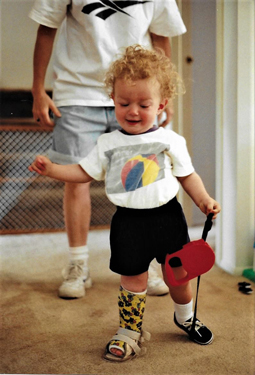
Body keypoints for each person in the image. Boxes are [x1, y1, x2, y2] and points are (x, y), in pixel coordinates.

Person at [29, 45, 221, 362]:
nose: (133, 111)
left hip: (168, 219)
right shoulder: (107, 143)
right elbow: (81, 171)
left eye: (144, 104)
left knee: (179, 276)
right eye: (123, 103)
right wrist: (51, 169)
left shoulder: (170, 140)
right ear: (113, 100)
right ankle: (130, 330)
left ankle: (185, 317)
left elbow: (188, 176)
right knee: (132, 279)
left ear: (161, 104)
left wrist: (204, 200)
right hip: (128, 223)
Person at [29, 0, 187, 298]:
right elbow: (46, 29)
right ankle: (78, 265)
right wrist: (38, 89)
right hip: (77, 92)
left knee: (146, 179)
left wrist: (163, 96)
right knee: (77, 179)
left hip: (138, 93)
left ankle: (147, 263)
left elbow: (161, 37)